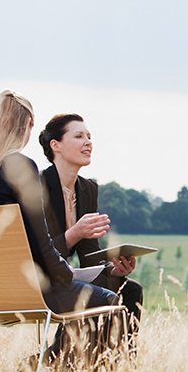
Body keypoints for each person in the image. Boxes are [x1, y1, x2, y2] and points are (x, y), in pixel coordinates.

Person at [0, 90, 120, 365]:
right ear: (22, 127)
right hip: (28, 291)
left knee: (92, 294)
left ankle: (48, 371)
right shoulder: (20, 166)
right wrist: (67, 273)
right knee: (110, 302)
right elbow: (39, 243)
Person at [38, 113, 144, 354]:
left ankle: (120, 366)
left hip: (67, 277)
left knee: (130, 289)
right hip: (40, 278)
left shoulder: (87, 189)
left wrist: (113, 269)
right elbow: (36, 251)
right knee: (96, 295)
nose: (88, 142)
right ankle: (55, 362)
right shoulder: (38, 186)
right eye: (78, 136)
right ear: (56, 146)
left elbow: (89, 256)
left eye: (89, 136)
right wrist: (74, 233)